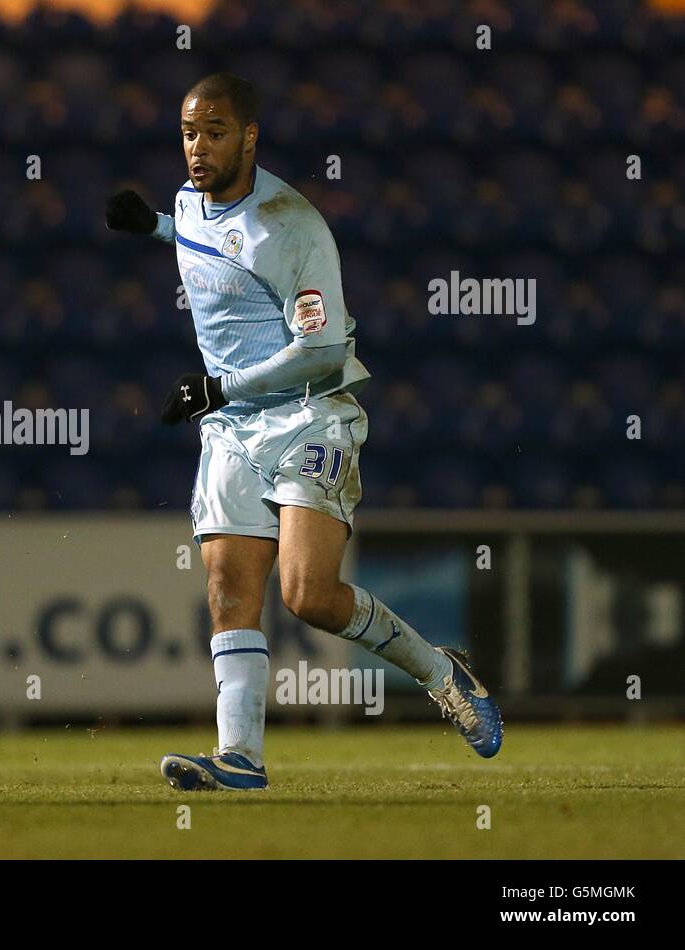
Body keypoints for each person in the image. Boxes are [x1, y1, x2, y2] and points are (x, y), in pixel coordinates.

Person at [106, 74, 502, 791]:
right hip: (232, 428)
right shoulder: (188, 202)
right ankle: (241, 758)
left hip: (310, 413)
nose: (199, 147)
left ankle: (443, 675)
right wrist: (155, 228)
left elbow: (320, 349)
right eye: (190, 132)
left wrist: (215, 387)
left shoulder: (293, 226)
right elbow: (208, 242)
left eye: (217, 131)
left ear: (250, 136)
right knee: (228, 585)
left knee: (309, 594)